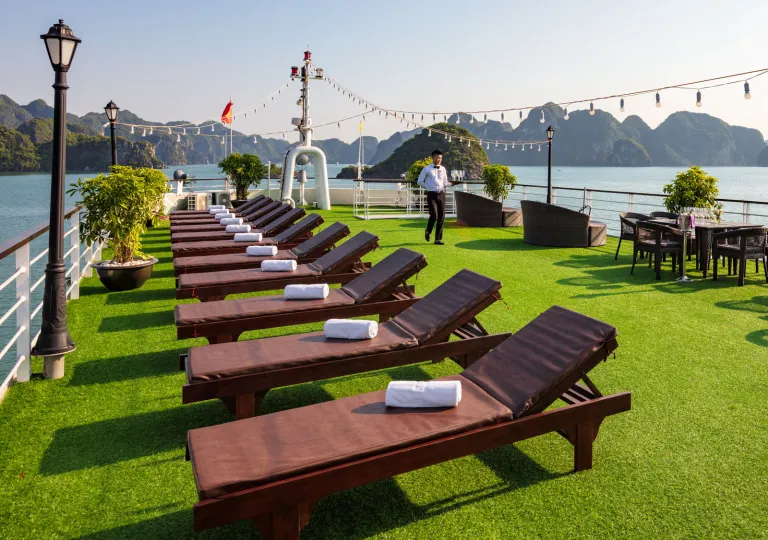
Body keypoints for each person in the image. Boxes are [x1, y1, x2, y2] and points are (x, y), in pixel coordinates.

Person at [416, 149, 453, 245]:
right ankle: (428, 231)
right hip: (431, 194)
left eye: (441, 158)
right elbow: (419, 181)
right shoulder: (426, 169)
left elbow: (445, 183)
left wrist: (452, 184)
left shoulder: (443, 169)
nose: (439, 159)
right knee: (434, 215)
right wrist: (427, 187)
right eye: (437, 157)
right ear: (433, 157)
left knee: (441, 217)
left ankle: (437, 239)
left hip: (441, 194)